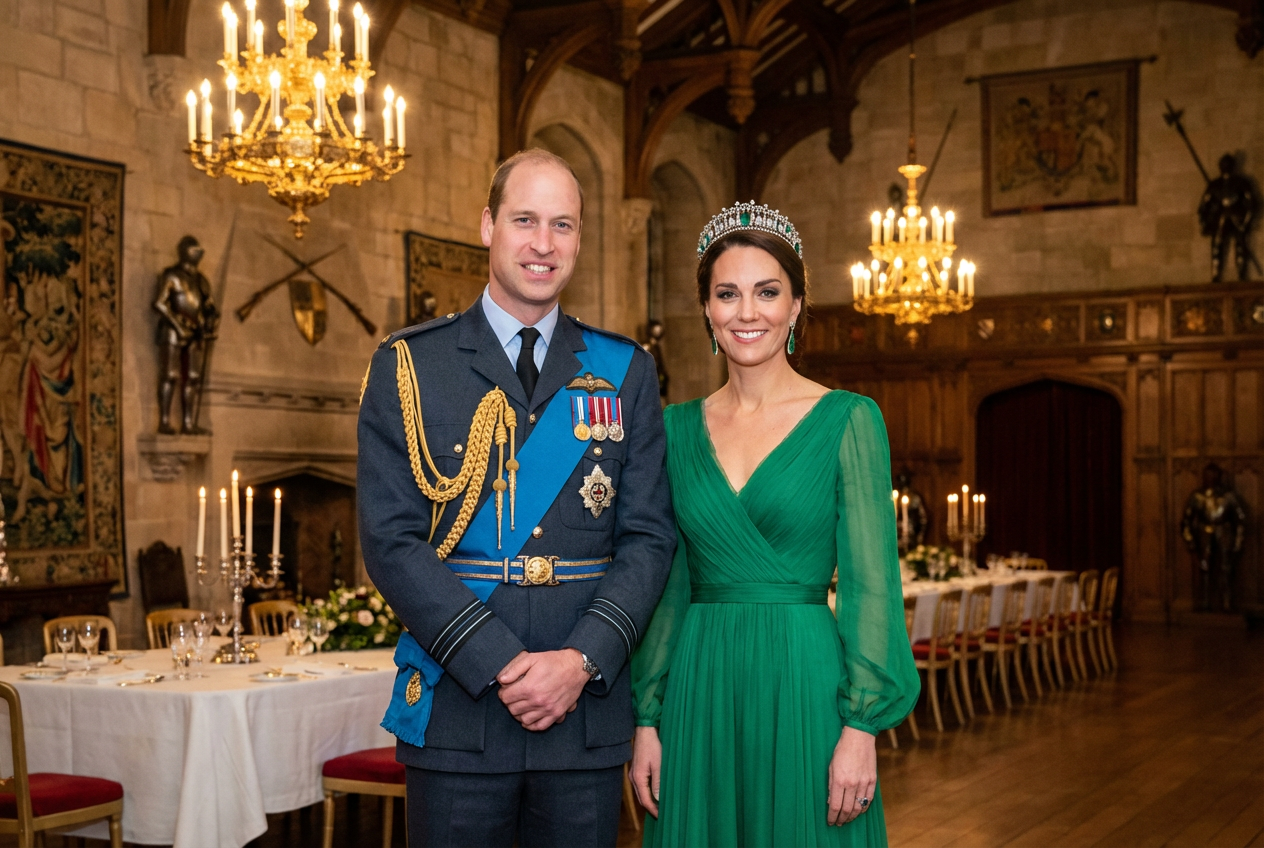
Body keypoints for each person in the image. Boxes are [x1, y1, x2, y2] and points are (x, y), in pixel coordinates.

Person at [357, 148, 676, 847]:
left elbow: (650, 540)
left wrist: (579, 662)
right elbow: (390, 540)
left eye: (563, 225)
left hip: (581, 718)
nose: (543, 243)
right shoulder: (410, 365)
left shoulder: (624, 370)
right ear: (487, 226)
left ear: (580, 240)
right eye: (525, 219)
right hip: (459, 715)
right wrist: (500, 662)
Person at [629, 202, 919, 846]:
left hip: (805, 680)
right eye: (727, 294)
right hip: (699, 684)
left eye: (767, 292)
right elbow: (666, 583)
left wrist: (862, 728)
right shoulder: (673, 429)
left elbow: (873, 586)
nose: (747, 311)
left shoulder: (849, 420)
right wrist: (647, 718)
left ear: (795, 306)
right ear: (707, 310)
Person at [153, 235, 219, 434]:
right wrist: (178, 326)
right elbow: (159, 303)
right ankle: (164, 421)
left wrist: (210, 322)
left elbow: (209, 306)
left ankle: (188, 423)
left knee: (192, 377)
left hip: (195, 333)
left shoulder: (201, 280)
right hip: (172, 330)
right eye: (194, 249)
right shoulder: (171, 275)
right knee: (170, 375)